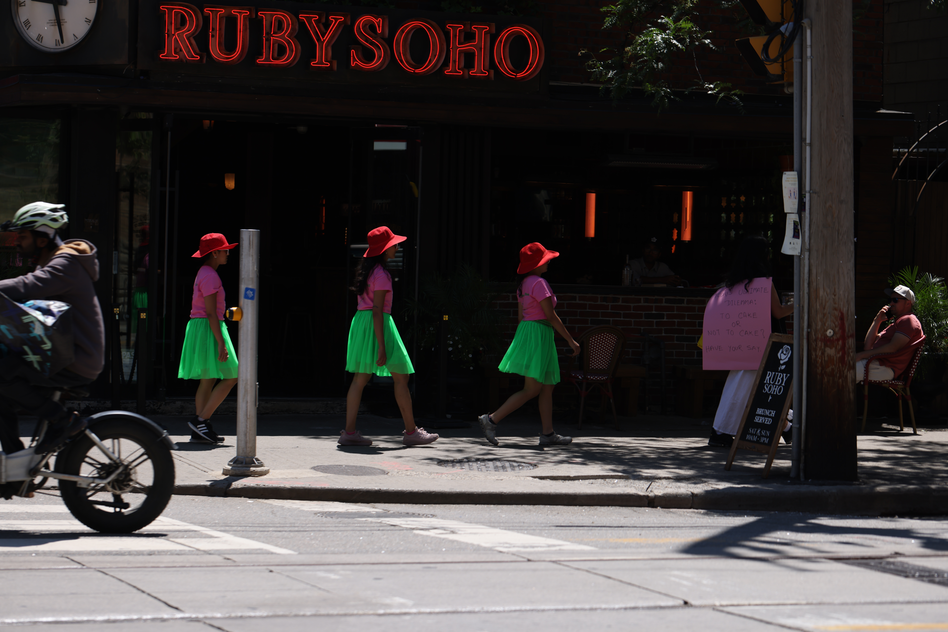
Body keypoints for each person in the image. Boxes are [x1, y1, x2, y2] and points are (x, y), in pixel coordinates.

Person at [0, 202, 105, 456]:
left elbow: (28, 287)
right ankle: (14, 469)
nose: (17, 242)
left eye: (23, 236)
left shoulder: (65, 264)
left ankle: (63, 419)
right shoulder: (50, 263)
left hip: (77, 359)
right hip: (59, 353)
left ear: (42, 238)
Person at [477, 242, 580, 447]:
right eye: (545, 259)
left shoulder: (523, 284)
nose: (548, 262)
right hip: (540, 333)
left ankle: (548, 434)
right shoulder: (539, 283)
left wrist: (525, 340)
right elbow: (550, 315)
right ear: (536, 265)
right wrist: (570, 340)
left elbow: (520, 317)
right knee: (532, 389)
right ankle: (491, 419)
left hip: (532, 333)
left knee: (547, 386)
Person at [342, 226, 438, 447]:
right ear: (385, 249)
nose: (397, 247)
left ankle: (348, 432)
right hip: (379, 324)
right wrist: (382, 346)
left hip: (362, 323)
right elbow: (377, 310)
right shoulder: (382, 274)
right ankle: (411, 432)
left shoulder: (368, 271)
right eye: (394, 244)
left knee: (360, 379)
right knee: (401, 376)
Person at [708, 235, 793, 448]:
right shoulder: (763, 283)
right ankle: (722, 431)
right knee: (762, 387)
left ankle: (785, 427)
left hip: (741, 343)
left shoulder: (733, 284)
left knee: (743, 386)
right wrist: (799, 303)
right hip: (763, 343)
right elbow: (779, 312)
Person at [178, 233, 239, 444]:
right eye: (225, 250)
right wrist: (221, 342)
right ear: (215, 253)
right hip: (209, 327)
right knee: (233, 375)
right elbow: (212, 313)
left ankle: (200, 427)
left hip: (200, 327)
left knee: (208, 379)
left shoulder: (203, 272)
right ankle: (201, 420)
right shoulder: (211, 275)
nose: (228, 254)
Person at [855, 284, 923, 383]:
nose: (891, 303)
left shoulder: (908, 320)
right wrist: (877, 321)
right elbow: (868, 346)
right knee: (837, 369)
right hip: (876, 364)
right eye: (890, 300)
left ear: (908, 303)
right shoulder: (896, 323)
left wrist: (861, 355)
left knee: (839, 371)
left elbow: (892, 348)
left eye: (895, 300)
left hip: (884, 367)